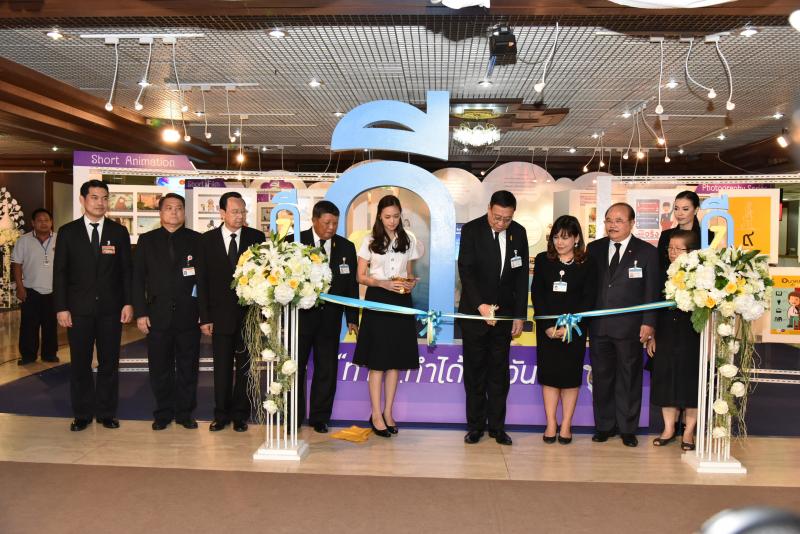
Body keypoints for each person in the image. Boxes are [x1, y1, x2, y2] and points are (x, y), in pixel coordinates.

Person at [53, 180, 133, 431]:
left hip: (111, 310)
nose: (100, 203)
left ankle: (107, 413)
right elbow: (60, 272)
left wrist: (128, 302)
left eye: (104, 198)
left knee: (109, 363)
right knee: (80, 363)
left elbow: (126, 272)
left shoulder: (118, 232)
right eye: (95, 197)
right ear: (83, 200)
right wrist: (61, 307)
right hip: (78, 311)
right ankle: (82, 414)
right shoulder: (68, 232)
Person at [458, 190, 528, 446]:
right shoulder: (471, 230)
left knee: (499, 373)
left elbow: (521, 277)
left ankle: (498, 427)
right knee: (475, 372)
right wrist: (481, 306)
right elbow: (466, 271)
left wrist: (519, 315)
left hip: (504, 316)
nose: (501, 223)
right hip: (475, 314)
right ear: (489, 208)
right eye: (497, 217)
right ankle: (475, 426)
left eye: (506, 219)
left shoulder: (518, 232)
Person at [587, 202, 659, 447]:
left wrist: (649, 323)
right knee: (602, 377)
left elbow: (652, 291)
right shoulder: (594, 249)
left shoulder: (647, 252)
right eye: (609, 220)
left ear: (631, 223)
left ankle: (628, 428)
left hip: (631, 328)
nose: (612, 225)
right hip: (599, 327)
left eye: (618, 220)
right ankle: (604, 426)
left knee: (629, 379)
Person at [353, 194, 424, 437]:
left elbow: (408, 271)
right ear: (379, 217)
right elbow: (360, 276)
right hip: (378, 299)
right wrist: (382, 283)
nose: (392, 221)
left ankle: (388, 412)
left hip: (401, 300)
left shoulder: (408, 240)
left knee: (395, 361)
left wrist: (410, 282)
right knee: (378, 361)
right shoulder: (370, 240)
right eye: (387, 217)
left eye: (395, 216)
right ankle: (375, 414)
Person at [196, 192, 265, 432]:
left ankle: (240, 415)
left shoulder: (256, 238)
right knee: (222, 369)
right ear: (222, 213)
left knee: (246, 369)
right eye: (235, 212)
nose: (240, 216)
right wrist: (205, 317)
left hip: (248, 317)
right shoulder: (206, 241)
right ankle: (221, 414)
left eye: (243, 211)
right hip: (219, 316)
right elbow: (202, 282)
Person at [133, 193, 202, 431]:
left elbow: (203, 280)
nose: (174, 212)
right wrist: (140, 313)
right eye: (169, 208)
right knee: (159, 368)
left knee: (188, 368)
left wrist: (204, 314)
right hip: (157, 316)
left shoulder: (196, 240)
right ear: (161, 212)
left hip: (189, 315)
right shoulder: (147, 240)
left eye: (179, 208)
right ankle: (162, 413)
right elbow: (137, 279)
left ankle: (185, 413)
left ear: (184, 212)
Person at [531, 215, 597, 445]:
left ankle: (566, 424)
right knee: (549, 377)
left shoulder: (587, 263)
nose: (560, 242)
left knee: (570, 378)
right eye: (556, 237)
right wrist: (548, 326)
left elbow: (589, 297)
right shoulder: (543, 260)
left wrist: (570, 326)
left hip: (574, 330)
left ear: (576, 238)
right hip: (547, 330)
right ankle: (551, 423)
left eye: (565, 238)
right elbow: (537, 294)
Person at [294, 200, 359, 433]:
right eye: (326, 223)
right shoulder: (295, 241)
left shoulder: (346, 247)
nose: (331, 228)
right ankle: (293, 416)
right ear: (314, 220)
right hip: (300, 318)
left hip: (331, 319)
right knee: (295, 368)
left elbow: (351, 285)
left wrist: (352, 317)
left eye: (335, 223)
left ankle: (320, 417)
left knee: (326, 369)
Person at [647, 230, 701, 451]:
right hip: (665, 333)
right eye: (670, 248)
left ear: (691, 251)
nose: (672, 252)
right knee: (665, 381)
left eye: (679, 249)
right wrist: (652, 335)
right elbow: (652, 305)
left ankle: (688, 432)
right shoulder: (661, 273)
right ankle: (668, 429)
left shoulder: (702, 275)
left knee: (691, 383)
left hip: (693, 334)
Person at [12, 208, 59, 366]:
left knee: (50, 325)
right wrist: (20, 287)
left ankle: (50, 354)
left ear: (51, 222)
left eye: (46, 220)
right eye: (39, 220)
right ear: (33, 223)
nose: (43, 223)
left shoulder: (59, 239)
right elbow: (17, 264)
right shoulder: (23, 240)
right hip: (30, 290)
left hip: (53, 291)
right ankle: (28, 355)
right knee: (28, 325)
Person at [657, 191, 704, 275]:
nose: (679, 213)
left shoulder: (707, 235)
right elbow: (659, 266)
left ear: (696, 210)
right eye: (676, 208)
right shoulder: (665, 236)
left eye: (685, 209)